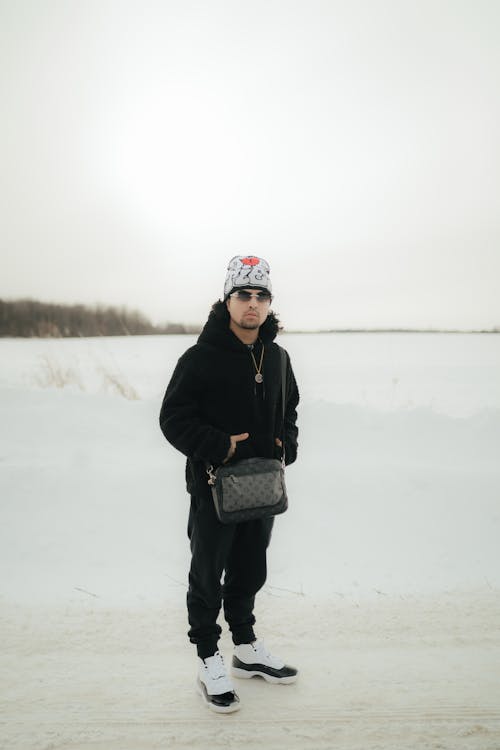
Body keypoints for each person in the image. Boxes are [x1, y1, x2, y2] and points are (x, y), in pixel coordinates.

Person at [159, 255, 299, 713]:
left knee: (250, 569)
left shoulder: (277, 357)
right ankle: (207, 657)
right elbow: (173, 419)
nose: (252, 304)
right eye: (244, 294)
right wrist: (220, 445)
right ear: (228, 300)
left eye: (261, 296)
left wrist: (286, 447)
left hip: (262, 487)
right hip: (213, 486)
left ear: (269, 303)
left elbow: (290, 407)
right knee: (207, 574)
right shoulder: (199, 358)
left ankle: (245, 648)